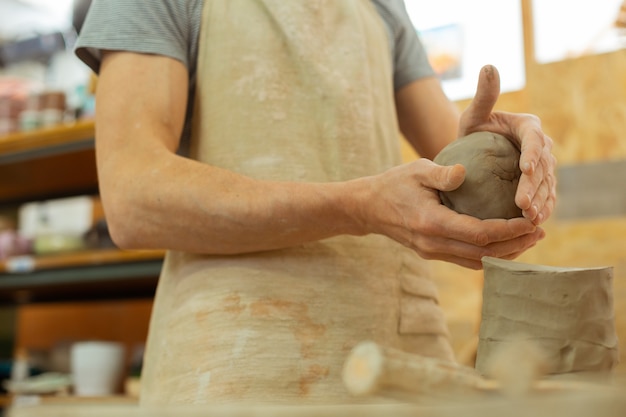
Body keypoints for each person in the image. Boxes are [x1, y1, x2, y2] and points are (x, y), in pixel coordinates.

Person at [75, 0, 556, 406]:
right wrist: (358, 205)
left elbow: (449, 155)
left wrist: (498, 154)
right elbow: (133, 196)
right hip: (239, 361)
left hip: (398, 361)